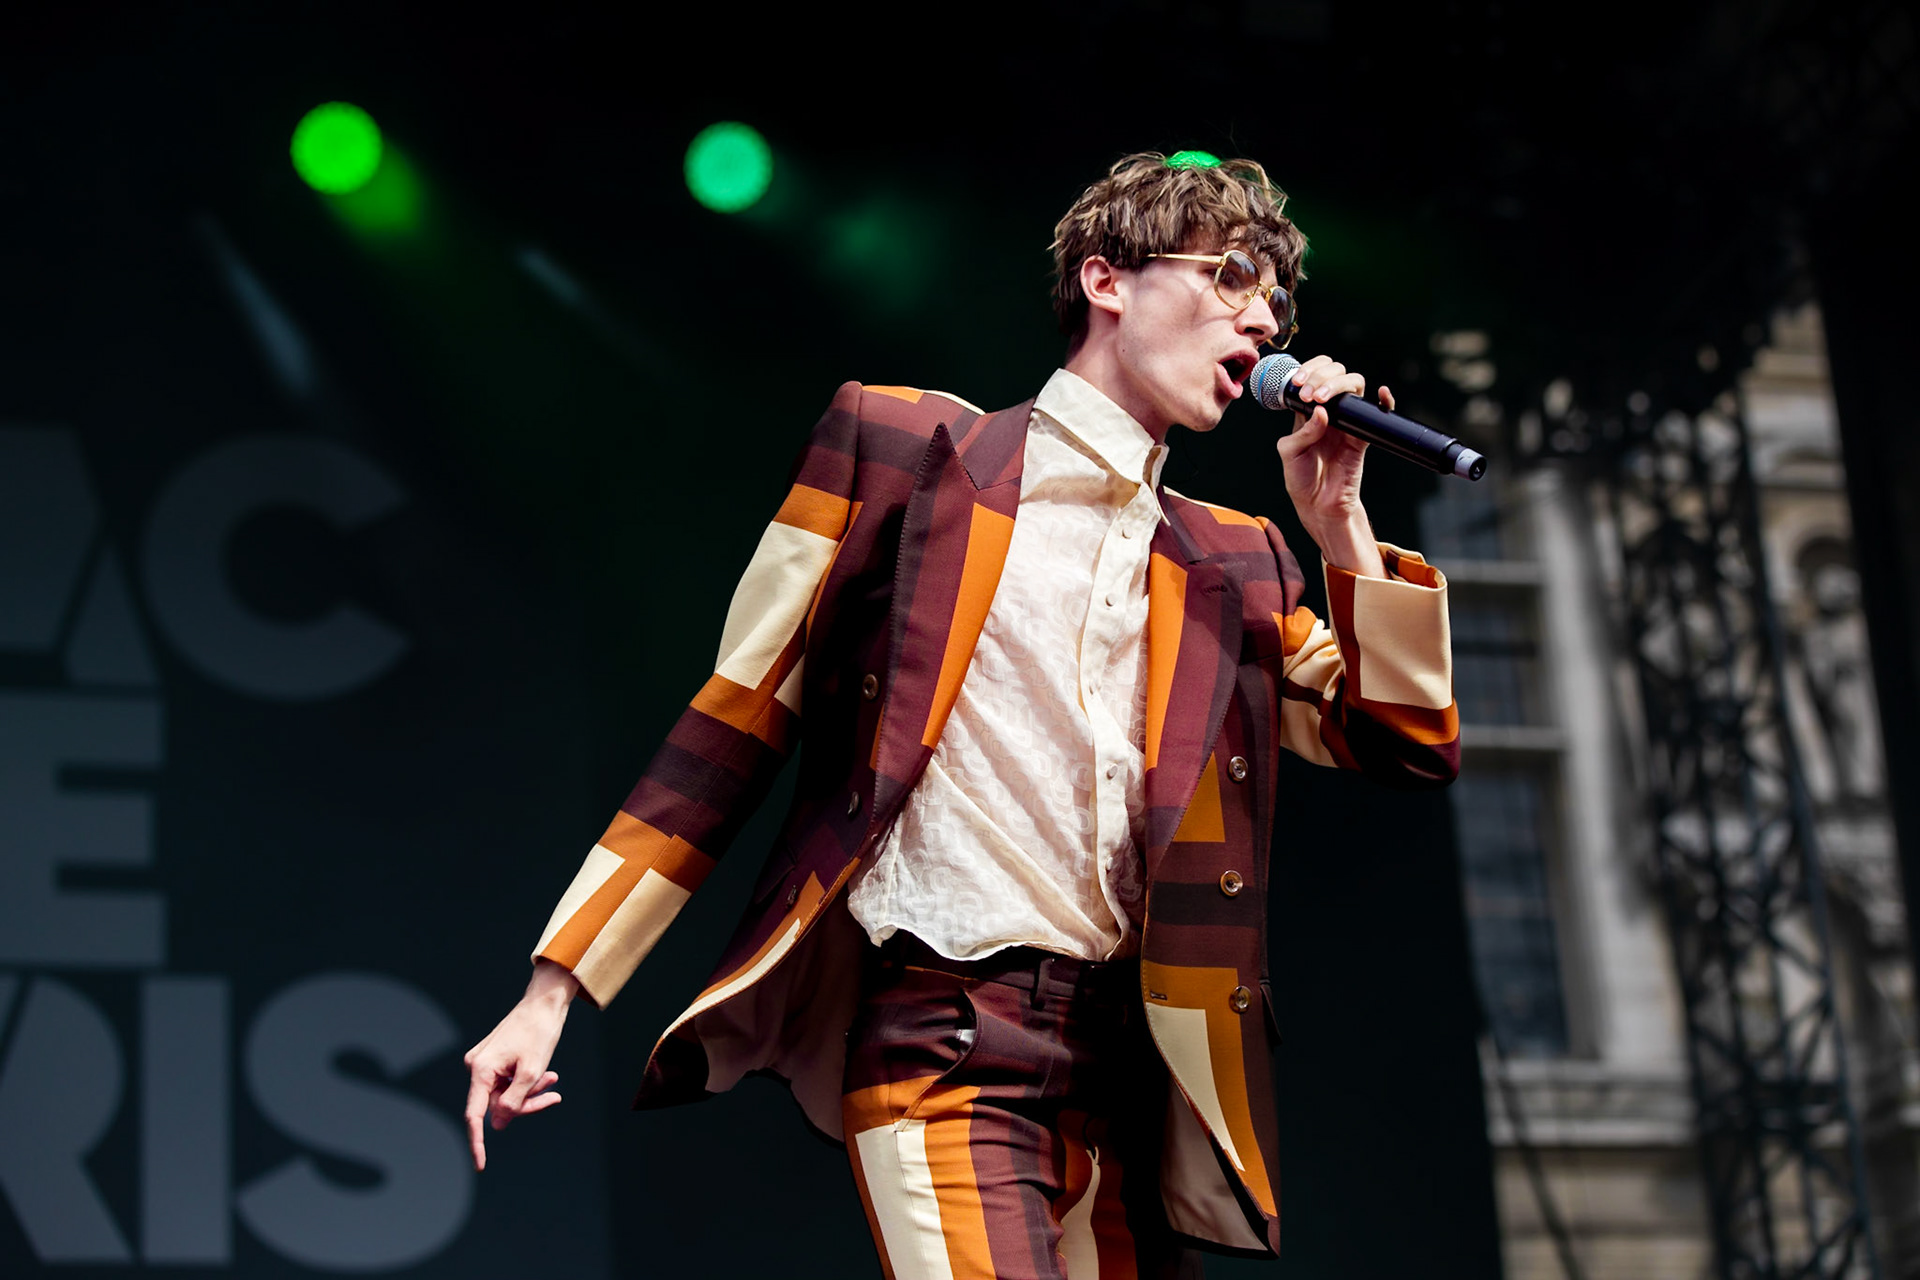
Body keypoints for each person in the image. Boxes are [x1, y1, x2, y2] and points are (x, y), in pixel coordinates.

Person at [463, 151, 1458, 1278]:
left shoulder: (1237, 556)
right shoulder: (902, 452)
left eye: (1278, 301)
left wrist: (1340, 528)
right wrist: (553, 990)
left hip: (1134, 1074)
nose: (1263, 321)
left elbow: (1406, 741)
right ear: (1107, 281)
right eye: (1232, 278)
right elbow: (734, 722)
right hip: (948, 1039)